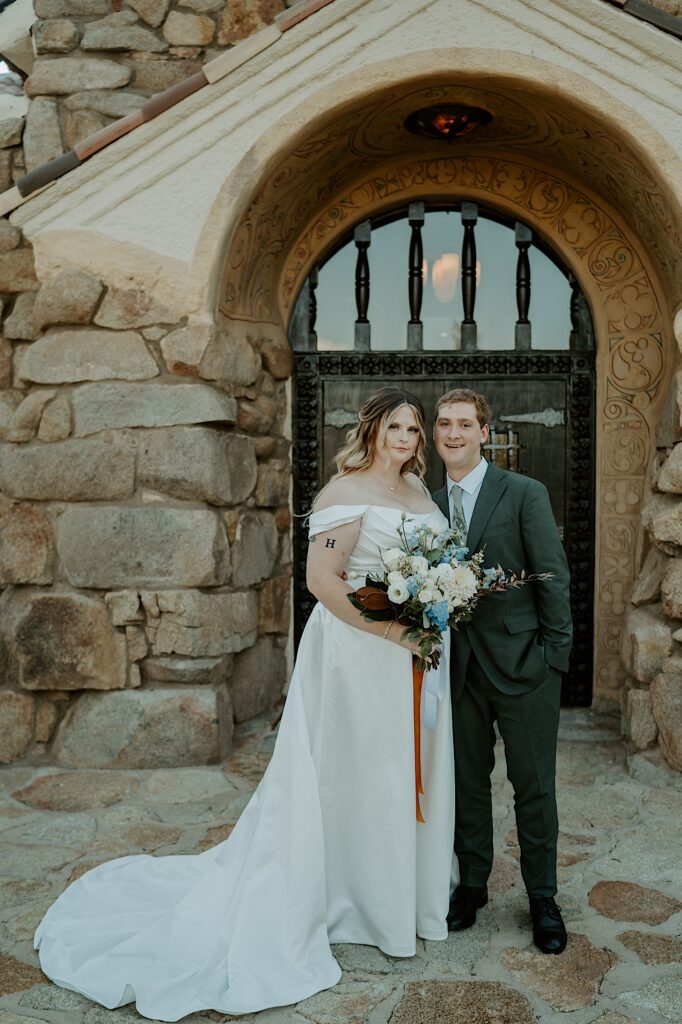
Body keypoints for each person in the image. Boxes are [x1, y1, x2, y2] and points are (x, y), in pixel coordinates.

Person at [33, 387, 455, 1021]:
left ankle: (402, 893)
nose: (407, 438)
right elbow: (321, 583)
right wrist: (394, 630)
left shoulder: (423, 495)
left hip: (414, 658)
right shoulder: (343, 495)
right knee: (355, 769)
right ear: (371, 432)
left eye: (414, 429)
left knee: (402, 769)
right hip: (359, 655)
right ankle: (352, 896)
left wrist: (429, 616)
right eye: (396, 426)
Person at [432, 387, 572, 955]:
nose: (453, 434)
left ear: (484, 432)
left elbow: (552, 577)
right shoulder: (426, 503)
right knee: (466, 785)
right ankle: (472, 886)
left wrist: (553, 660)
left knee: (533, 787)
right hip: (458, 672)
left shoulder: (523, 493)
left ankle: (542, 896)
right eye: (444, 424)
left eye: (464, 424)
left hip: (524, 668)